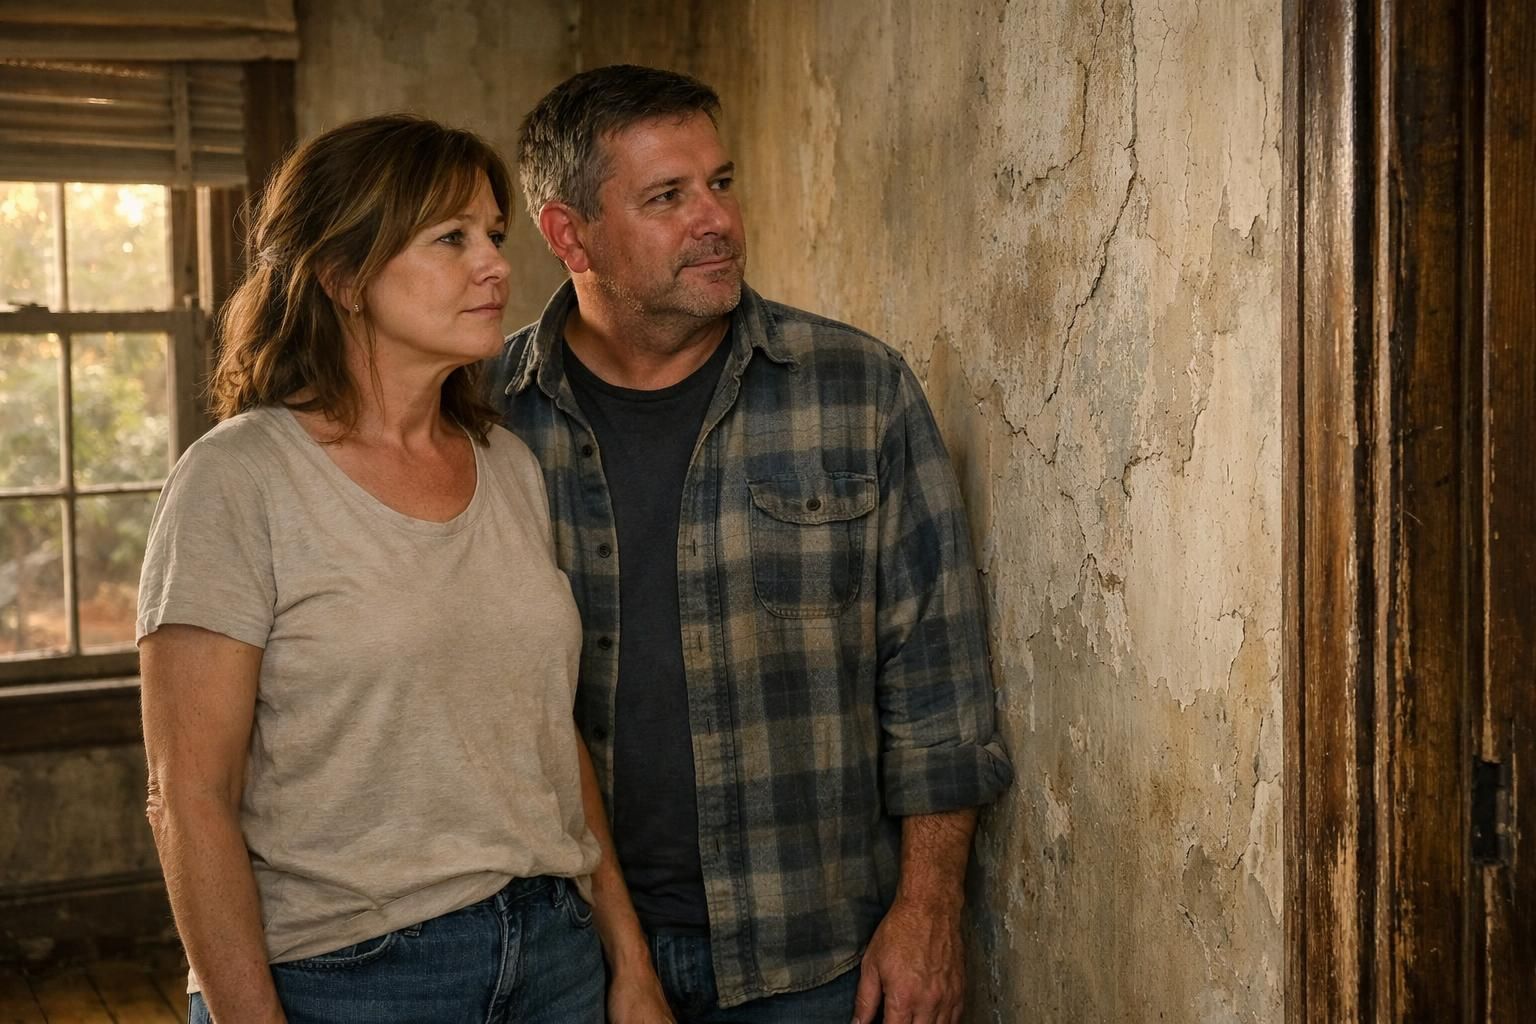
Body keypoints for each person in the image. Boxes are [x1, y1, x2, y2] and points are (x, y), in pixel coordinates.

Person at [490, 66, 1014, 1024]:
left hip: (814, 960)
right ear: (568, 233)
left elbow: (939, 686)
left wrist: (929, 909)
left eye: (721, 183)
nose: (717, 220)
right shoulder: (485, 418)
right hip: (563, 962)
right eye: (667, 197)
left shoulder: (857, 391)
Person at [137, 114, 639, 1023]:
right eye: (450, 238)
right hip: (348, 978)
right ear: (341, 275)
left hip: (557, 960)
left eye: (493, 235)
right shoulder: (237, 479)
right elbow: (188, 801)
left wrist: (627, 962)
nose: (493, 263)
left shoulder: (509, 466)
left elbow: (546, 736)